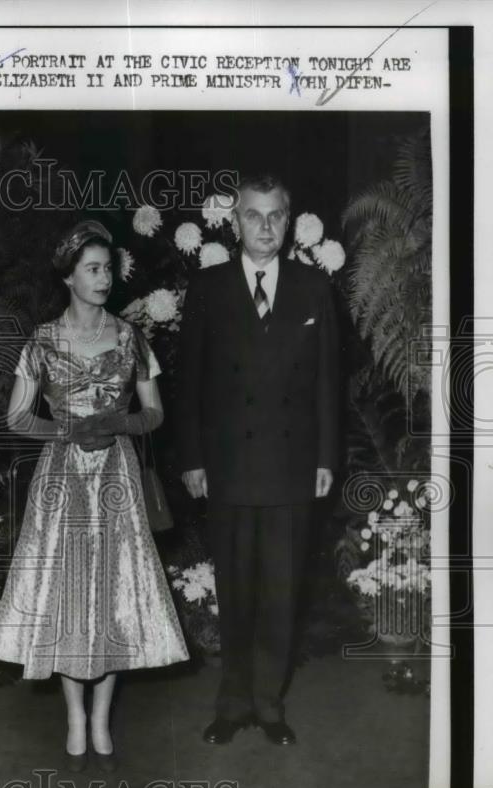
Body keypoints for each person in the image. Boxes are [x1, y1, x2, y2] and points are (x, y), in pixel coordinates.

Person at [0, 220, 189, 772]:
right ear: (70, 277)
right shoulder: (42, 341)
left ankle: (103, 717)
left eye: (108, 269)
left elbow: (156, 413)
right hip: (63, 480)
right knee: (71, 595)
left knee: (113, 593)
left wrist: (122, 420)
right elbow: (16, 417)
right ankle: (74, 716)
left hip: (116, 478)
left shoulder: (130, 337)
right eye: (93, 270)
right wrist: (64, 430)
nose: (104, 279)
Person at [176, 175, 340, 746]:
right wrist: (192, 457)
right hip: (228, 467)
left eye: (275, 216)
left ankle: (269, 705)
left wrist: (325, 457)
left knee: (280, 591)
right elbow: (188, 383)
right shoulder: (208, 288)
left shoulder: (314, 287)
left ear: (289, 221)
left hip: (293, 466)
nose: (265, 227)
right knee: (236, 589)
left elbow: (327, 383)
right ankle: (232, 702)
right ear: (235, 221)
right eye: (253, 216)